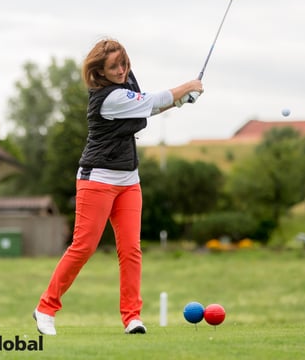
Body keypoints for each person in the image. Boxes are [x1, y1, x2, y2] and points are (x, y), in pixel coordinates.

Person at [33, 38, 203, 335]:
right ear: (100, 71)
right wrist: (186, 87)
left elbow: (145, 109)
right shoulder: (107, 98)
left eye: (124, 64)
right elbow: (151, 102)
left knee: (131, 250)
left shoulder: (125, 85)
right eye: (114, 67)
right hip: (97, 179)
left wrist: (178, 101)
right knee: (83, 247)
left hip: (129, 180)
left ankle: (132, 317)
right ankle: (45, 308)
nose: (122, 70)